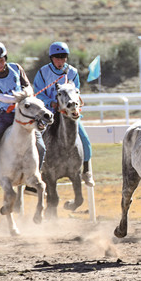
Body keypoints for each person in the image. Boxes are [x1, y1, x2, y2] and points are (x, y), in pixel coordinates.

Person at [0, 41, 45, 193]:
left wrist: (26, 94)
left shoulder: (16, 68)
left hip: (25, 113)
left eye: (1, 60)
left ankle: (34, 180)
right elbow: (0, 97)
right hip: (5, 116)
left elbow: (28, 87)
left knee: (41, 146)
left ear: (5, 58)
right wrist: (16, 98)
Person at [33, 41, 94, 186]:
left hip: (67, 114)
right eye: (57, 58)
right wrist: (51, 102)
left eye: (63, 58)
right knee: (37, 140)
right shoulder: (43, 72)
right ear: (51, 58)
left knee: (84, 139)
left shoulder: (72, 72)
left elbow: (76, 91)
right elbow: (38, 93)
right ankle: (36, 171)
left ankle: (86, 171)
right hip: (48, 113)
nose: (60, 61)